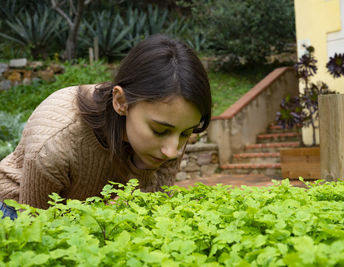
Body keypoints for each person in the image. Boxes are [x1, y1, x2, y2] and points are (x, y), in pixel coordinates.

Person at [0, 34, 212, 218]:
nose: (173, 151)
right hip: (14, 208)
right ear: (120, 101)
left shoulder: (171, 130)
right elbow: (36, 232)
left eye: (186, 133)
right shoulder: (54, 145)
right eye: (159, 130)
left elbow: (155, 210)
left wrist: (143, 169)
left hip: (82, 214)